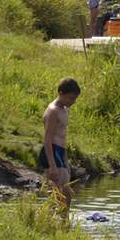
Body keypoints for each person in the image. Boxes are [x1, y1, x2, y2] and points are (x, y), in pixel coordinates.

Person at [40, 77, 81, 209]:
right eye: (71, 98)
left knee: (64, 195)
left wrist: (65, 159)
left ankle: (61, 224)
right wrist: (52, 165)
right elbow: (47, 138)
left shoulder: (64, 110)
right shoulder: (53, 111)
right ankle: (55, 224)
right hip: (52, 152)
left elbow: (63, 137)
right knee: (60, 194)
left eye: (75, 99)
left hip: (60, 153)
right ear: (61, 93)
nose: (73, 102)